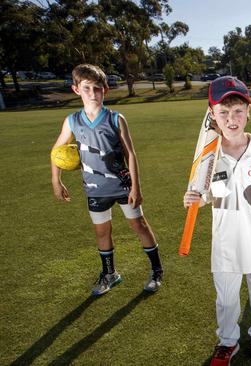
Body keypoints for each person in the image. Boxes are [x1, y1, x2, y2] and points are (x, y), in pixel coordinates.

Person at [183, 76, 251, 366]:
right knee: (226, 300)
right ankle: (227, 342)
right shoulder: (208, 154)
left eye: (238, 111)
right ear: (212, 115)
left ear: (248, 112)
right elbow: (205, 194)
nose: (231, 118)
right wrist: (194, 199)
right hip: (226, 237)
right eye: (223, 112)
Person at [50, 64, 163, 296]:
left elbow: (130, 154)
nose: (93, 93)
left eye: (97, 88)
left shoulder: (115, 118)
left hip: (122, 185)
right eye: (87, 88)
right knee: (102, 232)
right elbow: (57, 151)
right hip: (94, 188)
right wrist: (56, 180)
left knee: (138, 225)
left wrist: (136, 188)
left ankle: (156, 270)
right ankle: (110, 274)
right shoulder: (72, 121)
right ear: (76, 90)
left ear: (106, 90)